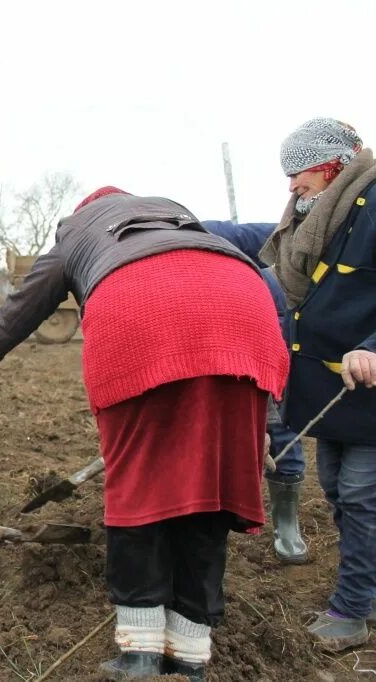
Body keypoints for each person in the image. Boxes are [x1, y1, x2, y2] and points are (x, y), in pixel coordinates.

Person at [0, 187, 289, 681]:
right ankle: (191, 652)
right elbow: (260, 289)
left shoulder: (78, 230)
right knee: (216, 486)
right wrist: (265, 422)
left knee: (140, 483)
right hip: (244, 313)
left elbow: (27, 303)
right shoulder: (179, 217)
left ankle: (140, 651)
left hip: (138, 316)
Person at [259, 118, 376, 652]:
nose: (291, 187)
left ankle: (351, 612)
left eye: (298, 172)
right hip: (334, 392)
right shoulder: (321, 218)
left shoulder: (372, 205)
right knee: (336, 491)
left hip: (367, 385)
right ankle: (364, 593)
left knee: (360, 495)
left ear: (333, 164)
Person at [201, 219, 308, 564]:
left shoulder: (211, 232)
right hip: (210, 336)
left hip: (267, 322)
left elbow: (280, 236)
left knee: (278, 422)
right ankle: (207, 516)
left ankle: (286, 525)